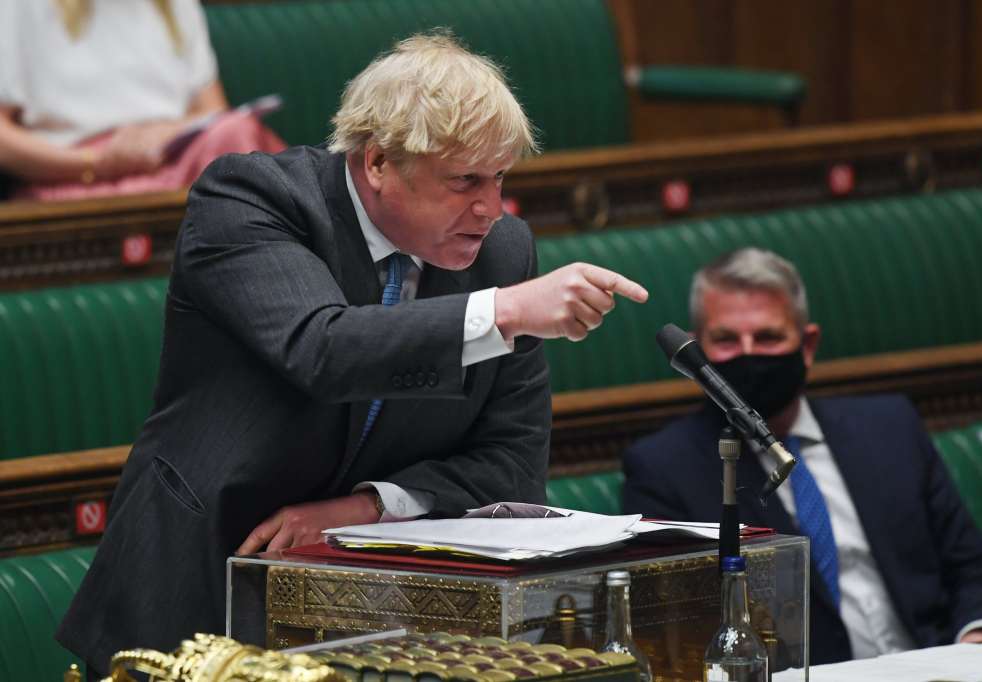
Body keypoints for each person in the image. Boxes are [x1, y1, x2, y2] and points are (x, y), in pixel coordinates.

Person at [57, 32, 648, 675]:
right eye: (463, 181)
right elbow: (322, 346)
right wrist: (504, 311)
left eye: (500, 177)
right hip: (201, 589)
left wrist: (363, 509)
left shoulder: (502, 252)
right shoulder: (252, 200)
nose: (491, 208)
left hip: (372, 622)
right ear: (376, 163)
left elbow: (511, 465)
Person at [622, 247, 982, 664]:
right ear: (696, 356)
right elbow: (677, 633)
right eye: (726, 340)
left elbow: (978, 570)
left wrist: (973, 648)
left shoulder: (889, 428)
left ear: (807, 345)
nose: (748, 353)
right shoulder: (664, 470)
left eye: (768, 337)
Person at [0, 0, 284, 201]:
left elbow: (213, 110)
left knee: (235, 136)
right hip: (77, 180)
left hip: (177, 160)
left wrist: (165, 133)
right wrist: (98, 163)